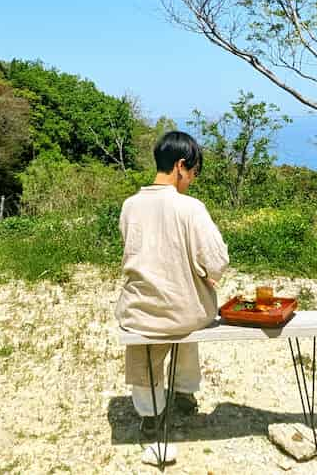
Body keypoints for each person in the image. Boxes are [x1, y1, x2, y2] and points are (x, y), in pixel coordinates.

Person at [116, 131, 229, 426]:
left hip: (140, 311)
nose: (191, 180)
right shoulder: (190, 208)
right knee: (190, 312)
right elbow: (217, 260)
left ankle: (150, 414)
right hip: (185, 312)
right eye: (192, 172)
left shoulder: (130, 206)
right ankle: (183, 393)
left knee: (145, 348)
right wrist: (210, 276)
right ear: (180, 166)